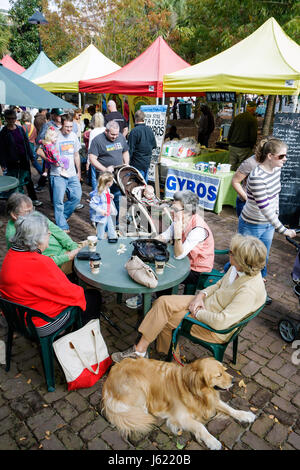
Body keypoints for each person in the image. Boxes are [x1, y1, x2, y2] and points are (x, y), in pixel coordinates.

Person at [112, 234, 267, 362]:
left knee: (164, 319)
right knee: (162, 302)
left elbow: (221, 323)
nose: (229, 254)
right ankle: (144, 351)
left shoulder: (249, 291)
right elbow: (219, 285)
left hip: (213, 326)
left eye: (232, 253)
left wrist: (197, 312)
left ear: (243, 262)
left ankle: (163, 360)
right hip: (206, 303)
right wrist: (201, 295)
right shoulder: (237, 268)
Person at [0, 213, 102, 335]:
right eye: (47, 232)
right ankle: (80, 335)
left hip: (17, 316)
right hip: (40, 322)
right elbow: (70, 293)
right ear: (36, 239)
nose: (50, 234)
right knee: (93, 297)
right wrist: (80, 292)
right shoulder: (41, 262)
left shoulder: (10, 255)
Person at [126, 190, 215, 309]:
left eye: (176, 209)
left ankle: (162, 303)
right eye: (172, 207)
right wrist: (147, 243)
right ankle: (156, 298)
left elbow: (179, 255)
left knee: (163, 273)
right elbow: (164, 236)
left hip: (198, 269)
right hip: (185, 260)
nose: (172, 212)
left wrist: (177, 235)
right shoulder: (180, 218)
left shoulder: (198, 229)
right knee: (153, 261)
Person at [238, 136, 296, 283]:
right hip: (252, 224)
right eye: (282, 156)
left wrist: (275, 216)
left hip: (268, 223)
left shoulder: (276, 170)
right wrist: (283, 230)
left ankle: (259, 284)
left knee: (263, 257)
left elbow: (274, 196)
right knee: (244, 260)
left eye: (286, 155)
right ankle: (230, 277)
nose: (285, 159)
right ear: (270, 156)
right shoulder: (257, 177)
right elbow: (264, 207)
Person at [5, 193, 84, 276]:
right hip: (56, 263)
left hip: (67, 252)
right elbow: (37, 263)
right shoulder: (14, 234)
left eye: (32, 209)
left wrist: (73, 247)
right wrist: (69, 256)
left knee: (93, 245)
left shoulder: (34, 215)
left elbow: (58, 231)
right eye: (27, 212)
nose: (32, 213)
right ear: (14, 215)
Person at [37, 114, 82, 233]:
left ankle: (63, 216)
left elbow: (76, 155)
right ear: (62, 124)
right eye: (67, 127)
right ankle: (62, 225)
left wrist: (79, 172)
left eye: (71, 126)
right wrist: (49, 160)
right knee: (58, 202)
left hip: (72, 174)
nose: (69, 129)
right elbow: (39, 150)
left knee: (77, 197)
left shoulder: (73, 135)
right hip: (57, 175)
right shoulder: (54, 134)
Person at [88, 120, 130, 223]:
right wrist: (105, 169)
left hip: (118, 174)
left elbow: (125, 151)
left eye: (116, 134)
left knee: (118, 197)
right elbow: (92, 158)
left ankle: (117, 222)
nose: (115, 136)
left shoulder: (120, 137)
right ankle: (99, 221)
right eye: (112, 134)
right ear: (106, 131)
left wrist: (127, 163)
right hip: (104, 176)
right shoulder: (97, 140)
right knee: (102, 200)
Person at [0, 109, 42, 207]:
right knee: (14, 181)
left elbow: (26, 143)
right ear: (5, 119)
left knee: (28, 179)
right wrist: (2, 164)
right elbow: (1, 149)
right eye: (9, 119)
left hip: (24, 159)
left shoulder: (20, 129)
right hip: (11, 160)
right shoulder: (3, 132)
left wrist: (31, 157)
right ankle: (15, 202)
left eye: (13, 118)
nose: (11, 120)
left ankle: (33, 199)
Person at [128, 110, 157, 182]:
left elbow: (130, 150)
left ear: (135, 119)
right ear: (143, 118)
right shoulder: (149, 130)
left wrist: (127, 163)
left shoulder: (134, 131)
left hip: (136, 163)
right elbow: (154, 145)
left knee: (136, 186)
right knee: (144, 185)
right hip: (146, 162)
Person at [228, 104, 258, 171]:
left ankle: (229, 180)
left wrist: (229, 141)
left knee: (231, 165)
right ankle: (238, 181)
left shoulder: (238, 117)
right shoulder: (252, 120)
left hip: (233, 146)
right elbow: (253, 135)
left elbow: (230, 130)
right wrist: (252, 146)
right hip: (244, 147)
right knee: (242, 166)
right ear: (253, 109)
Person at [89, 171, 118, 240]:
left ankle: (113, 238)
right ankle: (100, 241)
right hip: (101, 215)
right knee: (101, 229)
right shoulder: (99, 192)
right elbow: (92, 203)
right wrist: (101, 211)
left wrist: (111, 196)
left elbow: (106, 199)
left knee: (111, 226)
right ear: (109, 183)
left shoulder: (107, 189)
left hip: (108, 213)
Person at [231, 154, 259, 218]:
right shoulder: (250, 162)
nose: (285, 159)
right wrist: (247, 198)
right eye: (281, 156)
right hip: (246, 203)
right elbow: (235, 181)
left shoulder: (275, 165)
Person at [86, 112, 106, 190]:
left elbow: (90, 148)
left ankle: (96, 195)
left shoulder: (93, 132)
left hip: (95, 157)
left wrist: (88, 161)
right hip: (104, 156)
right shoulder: (105, 130)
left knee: (94, 178)